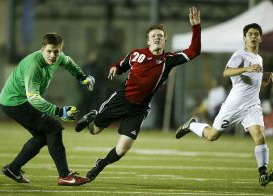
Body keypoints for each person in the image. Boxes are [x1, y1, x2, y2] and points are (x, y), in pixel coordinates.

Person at [75, 7, 201, 182]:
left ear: (165, 40)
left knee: (123, 148)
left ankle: (100, 164)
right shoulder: (136, 54)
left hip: (139, 109)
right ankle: (93, 116)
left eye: (160, 36)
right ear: (148, 41)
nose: (157, 38)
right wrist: (114, 67)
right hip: (122, 98)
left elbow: (194, 51)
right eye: (153, 36)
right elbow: (121, 65)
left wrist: (196, 27)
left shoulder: (169, 60)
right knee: (94, 131)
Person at [175, 23, 273, 186]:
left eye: (256, 34)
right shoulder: (240, 54)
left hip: (251, 107)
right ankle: (192, 125)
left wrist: (266, 75)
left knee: (260, 136)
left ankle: (263, 173)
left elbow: (253, 79)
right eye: (250, 34)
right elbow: (226, 72)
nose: (253, 36)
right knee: (212, 136)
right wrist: (247, 68)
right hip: (233, 107)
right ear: (244, 38)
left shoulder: (259, 58)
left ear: (261, 38)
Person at [0, 32, 95, 186]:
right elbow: (34, 98)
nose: (52, 55)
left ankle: (13, 168)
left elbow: (69, 63)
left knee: (42, 137)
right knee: (53, 129)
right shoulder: (34, 66)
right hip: (15, 102)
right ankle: (64, 176)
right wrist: (59, 111)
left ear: (60, 50)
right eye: (49, 51)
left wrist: (82, 77)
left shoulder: (59, 57)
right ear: (42, 49)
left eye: (56, 51)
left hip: (20, 100)